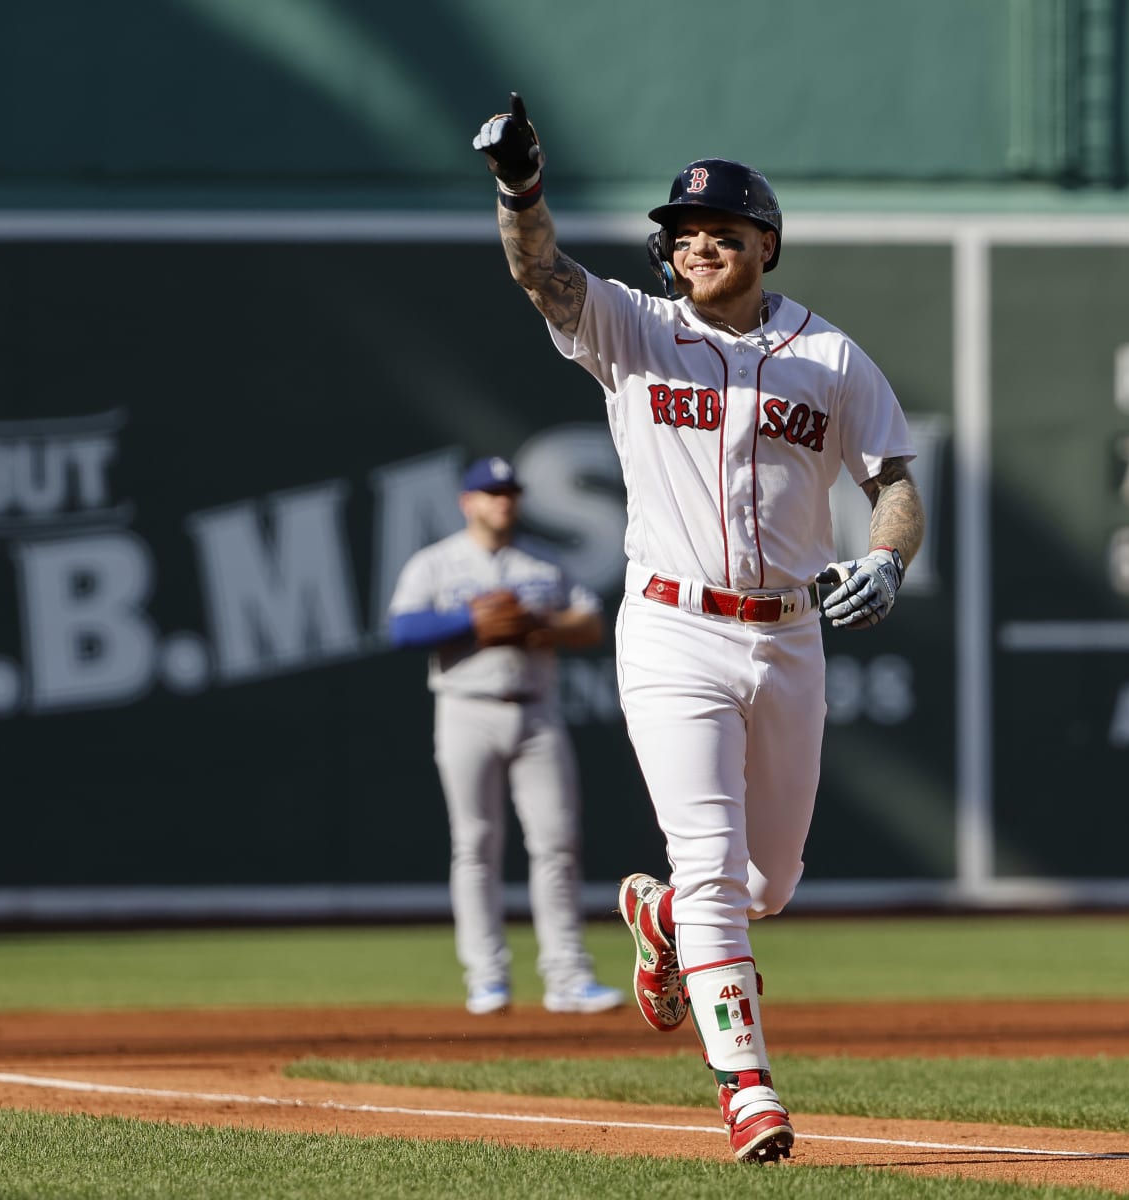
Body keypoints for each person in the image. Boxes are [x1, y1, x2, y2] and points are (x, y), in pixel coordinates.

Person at [472, 95, 925, 1164]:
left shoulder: (831, 357)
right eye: (684, 236)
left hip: (788, 634)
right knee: (716, 861)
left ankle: (665, 918)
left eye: (723, 234)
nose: (701, 247)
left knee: (769, 883)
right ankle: (746, 1088)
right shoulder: (635, 327)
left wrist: (887, 556)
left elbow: (895, 480)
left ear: (766, 244)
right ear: (666, 252)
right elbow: (540, 274)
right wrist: (521, 192)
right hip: (672, 629)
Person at [387, 455, 626, 1018]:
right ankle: (486, 977)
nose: (503, 502)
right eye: (492, 494)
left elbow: (590, 623)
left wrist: (539, 625)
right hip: (465, 709)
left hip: (537, 712)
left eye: (510, 493)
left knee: (558, 843)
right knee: (474, 845)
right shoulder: (437, 563)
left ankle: (568, 976)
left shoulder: (542, 562)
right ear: (467, 502)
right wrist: (470, 622)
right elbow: (403, 628)